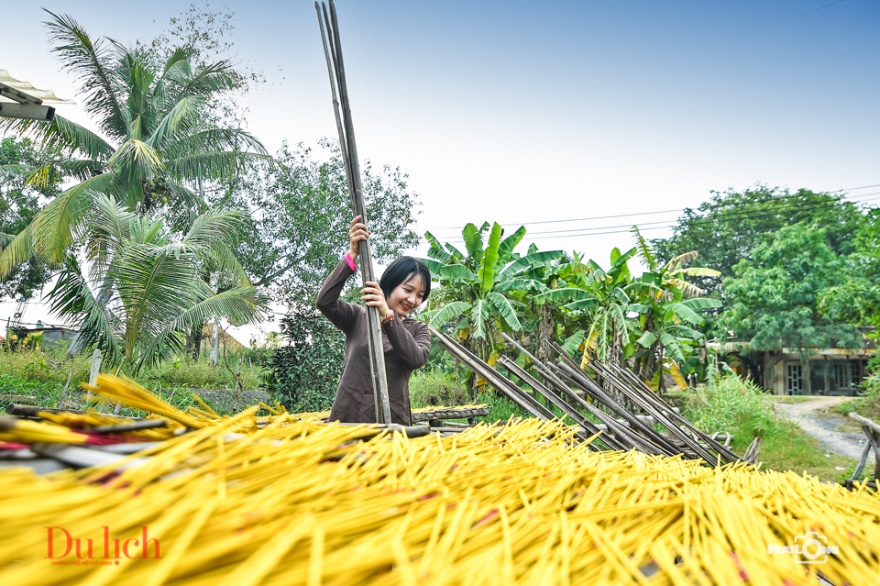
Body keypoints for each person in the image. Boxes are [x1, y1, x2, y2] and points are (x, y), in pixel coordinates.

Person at [316, 216, 432, 424]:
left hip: (393, 425)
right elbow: (325, 302)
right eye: (407, 290)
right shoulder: (358, 317)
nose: (413, 300)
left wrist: (388, 315)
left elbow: (416, 358)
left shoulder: (418, 330)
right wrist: (352, 255)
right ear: (390, 284)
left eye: (420, 295)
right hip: (347, 422)